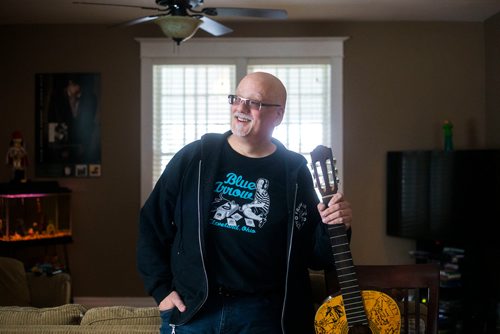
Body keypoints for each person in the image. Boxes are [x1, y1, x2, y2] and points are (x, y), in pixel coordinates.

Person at [137, 72, 353, 334]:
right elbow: (152, 223)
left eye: (255, 102)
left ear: (278, 115)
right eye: (236, 98)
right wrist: (161, 290)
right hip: (194, 310)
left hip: (264, 315)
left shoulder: (294, 171)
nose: (241, 107)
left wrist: (335, 225)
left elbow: (315, 256)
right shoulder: (197, 157)